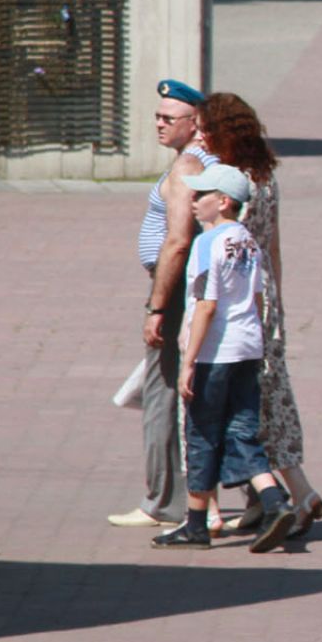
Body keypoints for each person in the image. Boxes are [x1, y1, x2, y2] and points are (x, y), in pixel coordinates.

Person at [194, 94, 322, 541]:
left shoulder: (229, 184)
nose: (201, 136)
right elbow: (273, 245)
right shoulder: (265, 176)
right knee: (271, 394)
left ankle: (216, 508)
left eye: (204, 128)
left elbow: (222, 245)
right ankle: (273, 498)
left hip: (234, 296)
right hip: (265, 290)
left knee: (236, 401)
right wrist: (279, 299)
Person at [153, 163, 299, 553]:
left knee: (202, 432)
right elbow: (255, 296)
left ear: (224, 201)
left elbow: (206, 305)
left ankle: (197, 524)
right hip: (248, 347)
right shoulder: (247, 240)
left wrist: (189, 361)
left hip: (216, 352)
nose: (194, 201)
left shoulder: (208, 243)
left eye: (201, 195)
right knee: (241, 429)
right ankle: (274, 500)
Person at [109, 79, 221, 530]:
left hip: (173, 286)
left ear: (195, 124)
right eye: (156, 116)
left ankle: (163, 502)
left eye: (168, 118)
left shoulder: (190, 166)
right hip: (181, 285)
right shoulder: (201, 162)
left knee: (162, 390)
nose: (158, 124)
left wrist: (157, 308)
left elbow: (177, 241)